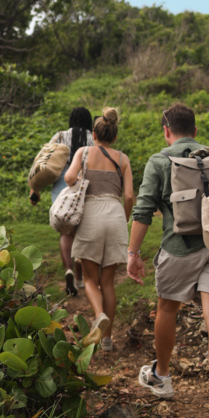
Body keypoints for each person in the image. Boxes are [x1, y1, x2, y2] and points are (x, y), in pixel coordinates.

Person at [127, 103, 209, 418]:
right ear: (195, 131)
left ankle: (163, 378)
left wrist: (133, 254)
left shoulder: (158, 161)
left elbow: (142, 213)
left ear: (166, 131)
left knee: (167, 308)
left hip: (179, 248)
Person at [64, 108, 134, 351]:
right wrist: (124, 218)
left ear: (93, 134)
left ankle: (99, 316)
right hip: (115, 215)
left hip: (91, 214)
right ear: (114, 136)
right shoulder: (123, 159)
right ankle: (107, 341)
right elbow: (128, 196)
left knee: (91, 280)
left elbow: (69, 178)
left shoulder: (83, 152)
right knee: (109, 282)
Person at [50, 107, 93, 297]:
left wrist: (34, 189)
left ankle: (68, 268)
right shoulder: (93, 138)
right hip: (85, 186)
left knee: (66, 232)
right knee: (83, 231)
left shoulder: (60, 136)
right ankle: (79, 277)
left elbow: (44, 161)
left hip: (62, 187)